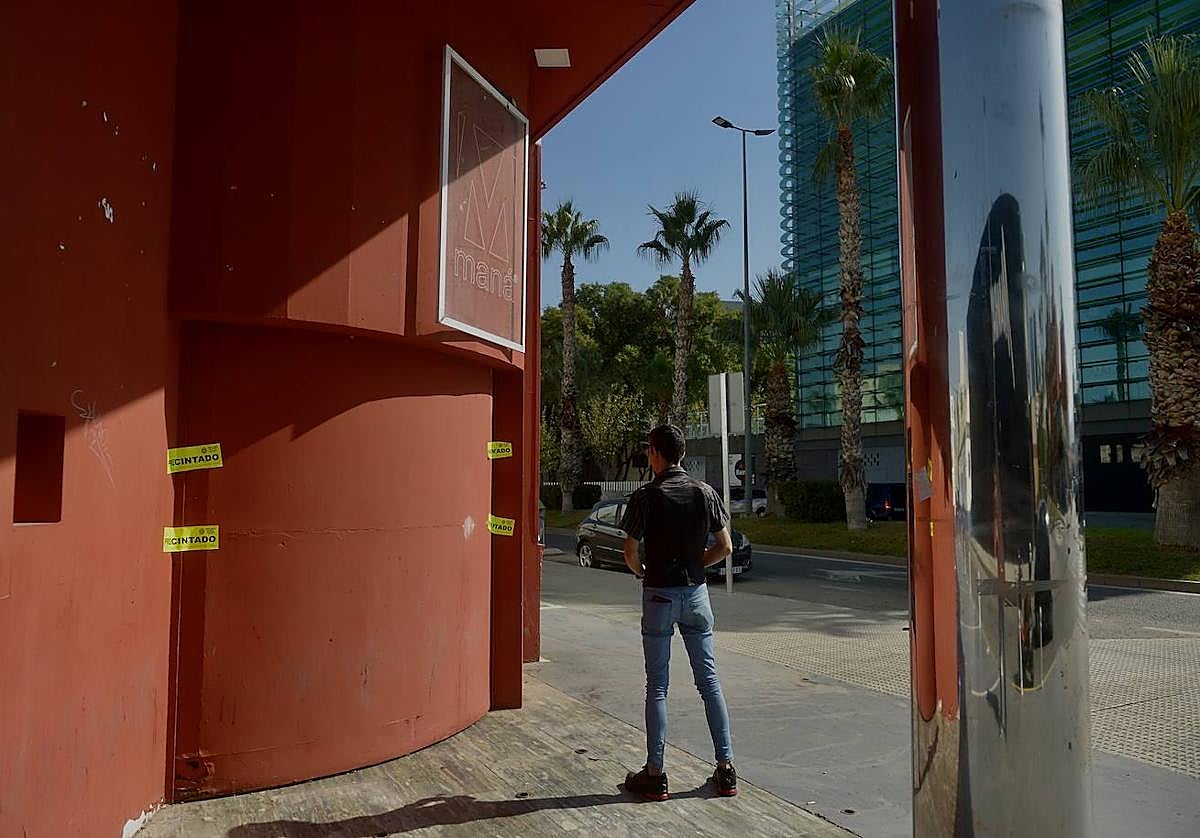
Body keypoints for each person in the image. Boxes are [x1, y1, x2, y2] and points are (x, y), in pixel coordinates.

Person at [618, 424, 737, 801]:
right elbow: (726, 547)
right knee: (709, 682)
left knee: (658, 687)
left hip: (658, 597)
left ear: (655, 453)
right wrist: (698, 564)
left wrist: (644, 573)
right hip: (697, 595)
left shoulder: (645, 497)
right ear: (682, 454)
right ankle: (726, 769)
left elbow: (630, 553)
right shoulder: (705, 492)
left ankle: (655, 774)